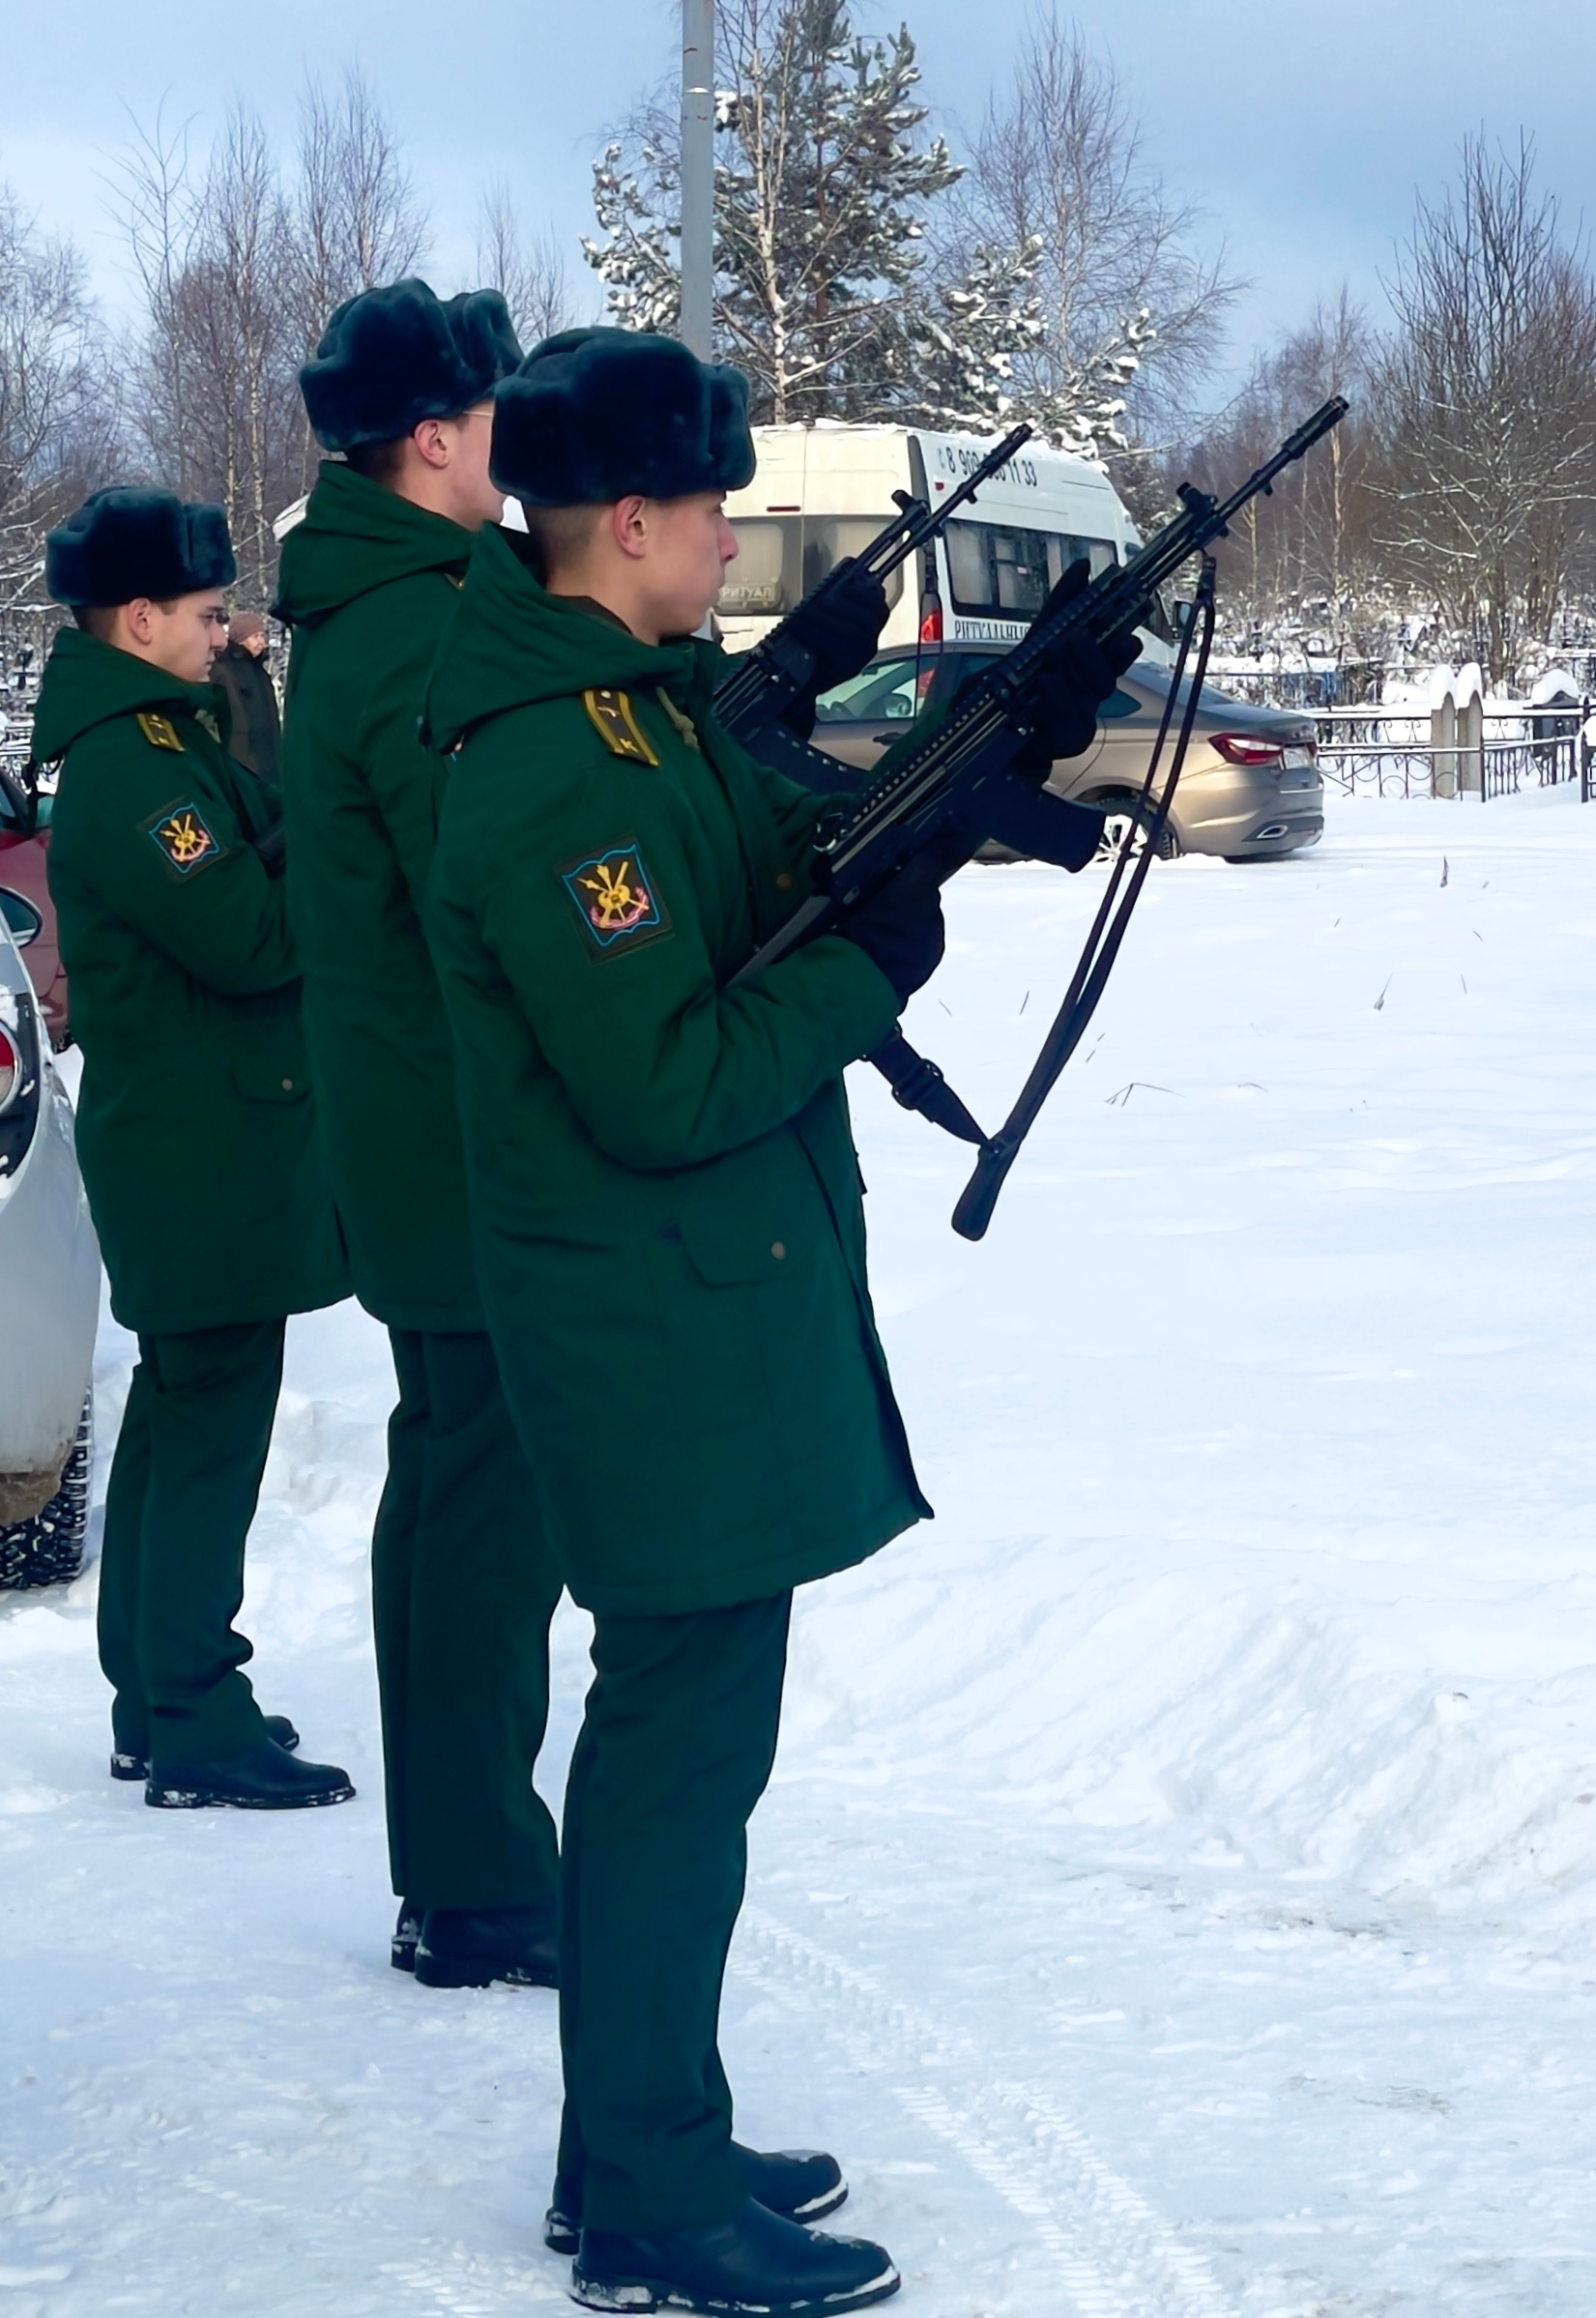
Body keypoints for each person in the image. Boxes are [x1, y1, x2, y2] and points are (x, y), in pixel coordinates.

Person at [421, 328, 1127, 2318]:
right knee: (668, 1757)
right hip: (647, 1329)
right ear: (625, 516)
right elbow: (659, 1073)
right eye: (709, 501)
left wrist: (964, 764)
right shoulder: (554, 766)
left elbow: (770, 874)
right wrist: (867, 967)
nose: (725, 535)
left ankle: (638, 2132)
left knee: (685, 1755)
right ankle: (645, 2193)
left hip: (689, 1312)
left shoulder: (624, 718)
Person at [273, 279, 567, 1990]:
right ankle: (471, 1876)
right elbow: (500, 866)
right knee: (483, 1503)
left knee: (456, 1485)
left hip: (429, 1129)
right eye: (495, 406)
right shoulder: (409, 630)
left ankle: (459, 1857)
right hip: (458, 1137)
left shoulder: (405, 602)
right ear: (435, 438)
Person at [35, 488, 352, 1810]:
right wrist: (327, 845)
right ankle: (192, 1717)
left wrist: (262, 765)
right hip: (202, 1146)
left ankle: (157, 1692)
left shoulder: (160, 739)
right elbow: (251, 935)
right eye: (208, 608)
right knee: (211, 1423)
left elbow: (242, 851)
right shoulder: (133, 767)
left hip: (207, 1134)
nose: (228, 629)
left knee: (180, 1413)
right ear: (139, 615)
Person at [209, 611, 281, 784]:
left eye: (263, 635)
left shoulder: (260, 672)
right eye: (255, 636)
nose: (261, 642)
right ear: (241, 638)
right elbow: (234, 722)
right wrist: (244, 765)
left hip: (270, 762)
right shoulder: (225, 671)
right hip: (248, 766)